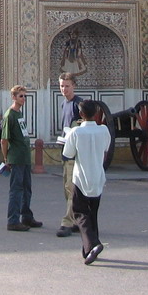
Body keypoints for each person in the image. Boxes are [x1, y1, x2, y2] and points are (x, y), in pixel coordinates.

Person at [62, 100, 112, 264]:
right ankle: (88, 249)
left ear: (81, 115)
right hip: (98, 176)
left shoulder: (76, 132)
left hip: (81, 177)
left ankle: (93, 244)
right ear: (96, 113)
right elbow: (105, 149)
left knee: (80, 213)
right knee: (93, 213)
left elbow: (68, 153)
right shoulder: (103, 130)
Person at [1, 85, 43, 232]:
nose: (23, 99)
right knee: (16, 189)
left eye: (25, 96)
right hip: (16, 158)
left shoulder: (19, 114)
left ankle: (26, 216)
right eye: (21, 96)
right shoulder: (9, 115)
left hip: (24, 158)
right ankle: (13, 220)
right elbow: (4, 140)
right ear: (13, 97)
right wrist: (6, 158)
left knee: (26, 189)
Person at [56, 72, 84, 237]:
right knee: (67, 190)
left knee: (71, 188)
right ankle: (76, 220)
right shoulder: (63, 104)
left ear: (74, 85)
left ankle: (67, 222)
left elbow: (81, 129)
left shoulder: (78, 104)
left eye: (67, 86)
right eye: (61, 86)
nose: (64, 89)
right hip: (66, 151)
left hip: (75, 153)